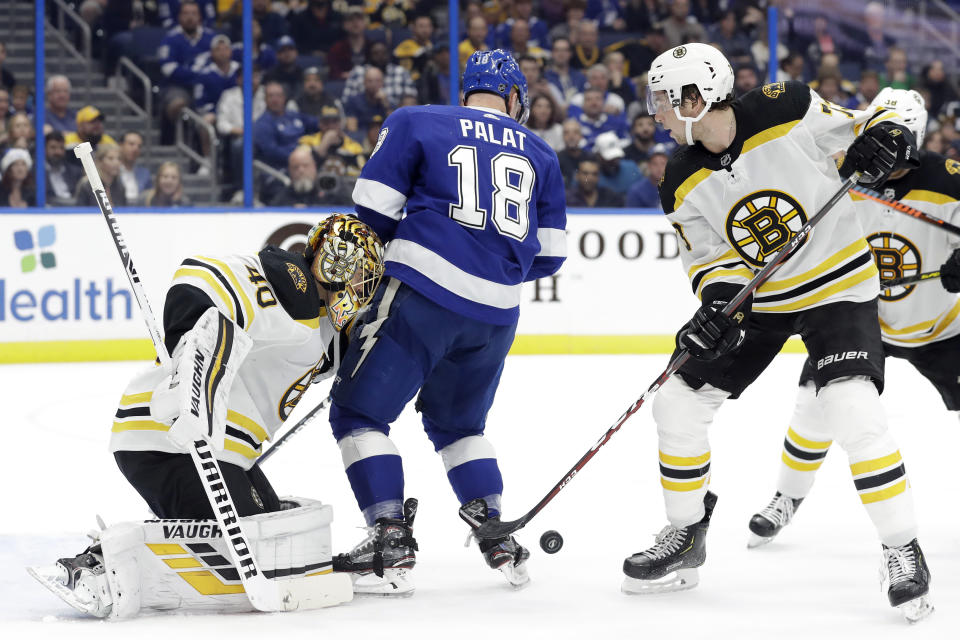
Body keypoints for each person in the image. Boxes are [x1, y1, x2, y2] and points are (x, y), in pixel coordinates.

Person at [623, 43, 933, 622]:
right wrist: (715, 304)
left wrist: (890, 133)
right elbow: (711, 261)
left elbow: (888, 112)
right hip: (762, 299)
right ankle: (686, 533)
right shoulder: (680, 178)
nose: (655, 113)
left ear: (695, 97)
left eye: (664, 100)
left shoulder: (785, 107)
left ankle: (902, 547)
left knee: (849, 407)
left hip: (838, 285)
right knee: (677, 405)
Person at [28, 213, 383, 619]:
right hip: (167, 436)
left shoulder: (317, 330)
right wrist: (189, 360)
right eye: (357, 273)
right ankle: (96, 565)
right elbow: (199, 277)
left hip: (219, 451)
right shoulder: (293, 287)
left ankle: (128, 551)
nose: (361, 287)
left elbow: (336, 352)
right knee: (242, 550)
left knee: (271, 526)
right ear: (334, 263)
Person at [330, 49, 567, 596]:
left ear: (468, 94)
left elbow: (371, 208)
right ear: (513, 100)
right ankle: (497, 537)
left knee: (358, 414)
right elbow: (551, 256)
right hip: (495, 316)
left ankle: (389, 537)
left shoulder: (417, 119)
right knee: (461, 427)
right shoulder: (542, 152)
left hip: (423, 296)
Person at [744, 93, 951, 574]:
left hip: (941, 327)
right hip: (860, 318)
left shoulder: (949, 180)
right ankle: (787, 497)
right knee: (813, 408)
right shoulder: (843, 173)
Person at [253, 81, 319, 170]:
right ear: (265, 99)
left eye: (278, 95)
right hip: (285, 167)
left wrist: (331, 124)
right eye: (271, 96)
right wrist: (302, 155)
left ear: (284, 98)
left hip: (307, 157)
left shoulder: (293, 115)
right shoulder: (262, 124)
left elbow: (317, 123)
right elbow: (273, 153)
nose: (275, 99)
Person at [74, 143, 127, 207]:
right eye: (110, 158)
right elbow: (80, 211)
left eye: (119, 159)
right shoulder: (86, 185)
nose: (116, 163)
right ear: (100, 161)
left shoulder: (120, 186)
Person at [593, 130, 642, 195]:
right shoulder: (590, 175)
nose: (614, 161)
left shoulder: (632, 168)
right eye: (609, 158)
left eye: (616, 157)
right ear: (598, 156)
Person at [625, 142, 669, 208]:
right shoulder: (637, 191)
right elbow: (632, 217)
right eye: (655, 164)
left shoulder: (679, 188)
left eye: (663, 163)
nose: (659, 168)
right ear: (648, 165)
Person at [45, 130, 82, 205]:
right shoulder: (36, 173)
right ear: (44, 149)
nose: (58, 152)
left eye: (61, 148)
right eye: (53, 147)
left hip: (74, 212)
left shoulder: (75, 172)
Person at [116, 131, 152, 203]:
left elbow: (149, 198)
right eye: (131, 144)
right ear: (120, 146)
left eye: (139, 146)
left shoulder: (145, 173)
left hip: (139, 212)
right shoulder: (112, 171)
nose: (135, 149)